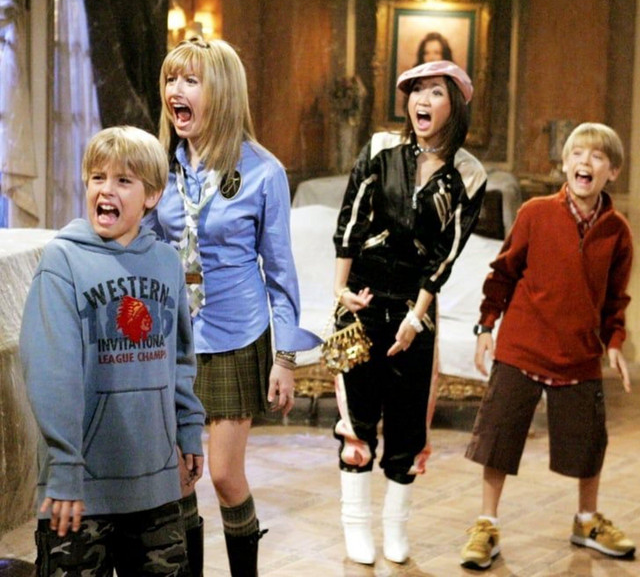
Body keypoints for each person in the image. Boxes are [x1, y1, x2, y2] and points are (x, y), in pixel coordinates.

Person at [149, 36, 320, 576]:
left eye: (190, 80)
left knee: (223, 475)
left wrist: (285, 357)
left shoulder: (264, 172)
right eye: (171, 79)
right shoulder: (160, 167)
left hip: (234, 337)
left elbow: (281, 273)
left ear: (221, 93)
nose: (176, 91)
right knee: (179, 476)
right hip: (174, 339)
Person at [20, 126, 205, 576]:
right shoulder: (62, 262)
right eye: (97, 177)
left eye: (123, 180)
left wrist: (188, 428)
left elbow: (180, 359)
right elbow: (51, 374)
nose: (106, 190)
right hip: (81, 491)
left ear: (152, 195)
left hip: (156, 486)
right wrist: (65, 466)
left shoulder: (166, 263)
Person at [332, 60, 487, 565]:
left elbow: (446, 254)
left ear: (454, 106)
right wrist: (339, 289)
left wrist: (416, 317)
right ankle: (357, 525)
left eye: (435, 91)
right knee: (355, 416)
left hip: (414, 311)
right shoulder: (381, 148)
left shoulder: (469, 173)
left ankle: (396, 526)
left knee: (409, 420)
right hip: (359, 301)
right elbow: (351, 219)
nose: (422, 99)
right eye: (416, 90)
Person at [460, 122, 636, 570]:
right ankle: (486, 523)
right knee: (498, 438)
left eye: (597, 157)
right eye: (577, 153)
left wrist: (615, 342)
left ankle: (586, 520)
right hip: (522, 347)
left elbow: (615, 299)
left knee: (589, 442)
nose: (585, 162)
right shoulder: (536, 213)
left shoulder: (618, 232)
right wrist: (485, 326)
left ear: (612, 172)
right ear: (565, 163)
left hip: (578, 352)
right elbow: (503, 273)